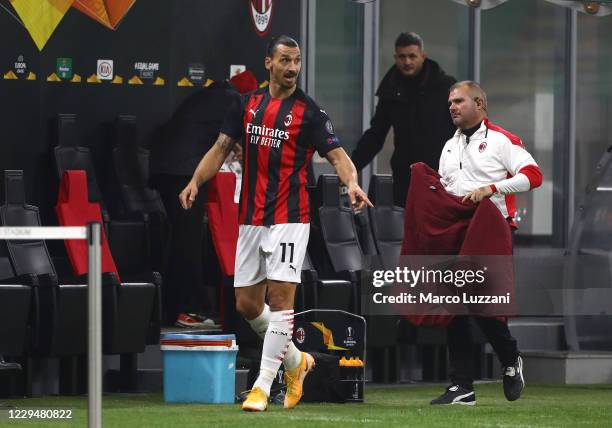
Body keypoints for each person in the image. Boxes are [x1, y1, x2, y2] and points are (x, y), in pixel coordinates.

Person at [179, 35, 372, 412]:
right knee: (247, 305)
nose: (292, 68)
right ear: (268, 63)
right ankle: (298, 363)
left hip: (291, 218)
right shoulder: (246, 104)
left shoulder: (310, 113)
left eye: (297, 61)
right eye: (285, 60)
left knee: (280, 301)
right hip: (251, 219)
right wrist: (195, 181)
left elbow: (337, 156)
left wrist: (351, 183)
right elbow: (219, 149)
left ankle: (263, 387)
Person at [430, 81, 542, 405]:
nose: (452, 106)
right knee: (453, 307)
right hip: (457, 234)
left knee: (486, 308)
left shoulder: (502, 140)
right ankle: (461, 386)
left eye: (459, 101)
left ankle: (510, 358)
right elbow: (443, 188)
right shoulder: (448, 147)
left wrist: (491, 189)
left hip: (492, 232)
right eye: (450, 101)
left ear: (479, 102)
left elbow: (533, 175)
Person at [150, 71, 258, 328]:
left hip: (166, 169)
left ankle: (172, 310)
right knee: (186, 244)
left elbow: (214, 135)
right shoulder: (234, 101)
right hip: (182, 174)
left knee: (181, 241)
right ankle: (186, 309)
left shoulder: (212, 95)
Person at [351, 32, 456, 207]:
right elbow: (375, 135)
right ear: (395, 57)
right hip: (406, 175)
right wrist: (351, 169)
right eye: (402, 57)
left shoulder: (445, 87)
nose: (407, 62)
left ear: (423, 56)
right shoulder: (390, 91)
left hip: (441, 173)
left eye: (412, 56)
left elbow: (462, 126)